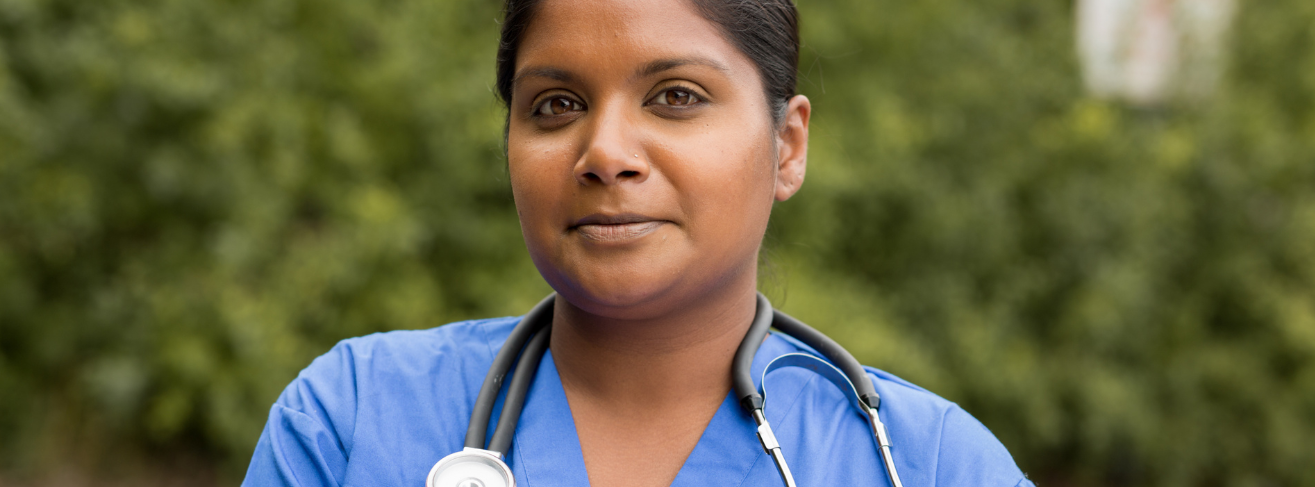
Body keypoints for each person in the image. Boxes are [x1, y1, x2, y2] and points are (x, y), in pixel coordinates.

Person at [242, 0, 1033, 485]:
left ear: (786, 147)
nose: (605, 151)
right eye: (555, 104)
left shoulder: (928, 464)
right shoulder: (351, 420)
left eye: (676, 97)